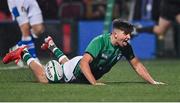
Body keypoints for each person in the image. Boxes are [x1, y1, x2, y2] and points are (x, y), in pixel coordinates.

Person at [2, 19, 165, 85]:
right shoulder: (100, 41)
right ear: (115, 34)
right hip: (78, 69)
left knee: (67, 64)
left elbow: (137, 65)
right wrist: (94, 84)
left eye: (130, 34)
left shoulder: (125, 47)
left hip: (79, 66)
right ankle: (24, 53)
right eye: (126, 34)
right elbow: (84, 63)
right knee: (45, 78)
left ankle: (52, 45)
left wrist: (153, 82)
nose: (129, 37)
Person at [7, 0, 45, 66]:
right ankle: (34, 58)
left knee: (39, 29)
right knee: (25, 28)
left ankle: (17, 48)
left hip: (30, 1)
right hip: (17, 2)